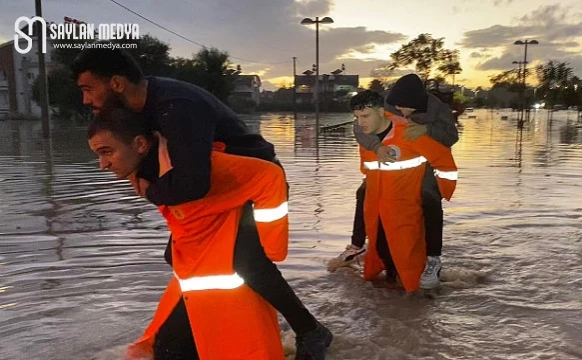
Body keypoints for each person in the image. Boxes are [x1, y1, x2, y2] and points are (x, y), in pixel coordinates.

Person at [73, 48, 331, 359]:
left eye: (88, 89)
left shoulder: (176, 108)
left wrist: (150, 191)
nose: (87, 100)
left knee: (247, 262)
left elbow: (193, 183)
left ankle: (310, 330)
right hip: (215, 189)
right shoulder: (138, 104)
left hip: (250, 185)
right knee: (175, 254)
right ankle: (200, 326)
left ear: (116, 83)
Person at [88, 107, 291, 359]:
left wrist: (272, 247)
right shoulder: (147, 173)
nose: (102, 165)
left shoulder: (196, 166)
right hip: (199, 283)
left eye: (107, 152)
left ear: (140, 143)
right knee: (165, 349)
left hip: (229, 284)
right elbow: (185, 217)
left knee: (170, 350)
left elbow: (270, 176)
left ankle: (309, 329)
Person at [333, 74, 458, 289]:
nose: (403, 113)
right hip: (385, 161)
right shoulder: (381, 103)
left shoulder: (438, 109)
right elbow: (360, 127)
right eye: (399, 107)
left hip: (423, 159)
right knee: (364, 194)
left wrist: (427, 130)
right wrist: (376, 147)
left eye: (410, 109)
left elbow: (451, 136)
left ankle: (433, 258)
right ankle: (357, 245)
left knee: (430, 199)